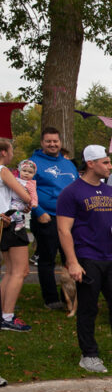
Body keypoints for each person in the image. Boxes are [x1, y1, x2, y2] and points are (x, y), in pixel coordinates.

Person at [56, 145, 112, 372]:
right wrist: (73, 261)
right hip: (87, 256)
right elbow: (63, 230)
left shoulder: (110, 192)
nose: (110, 166)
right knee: (88, 307)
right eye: (105, 162)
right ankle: (89, 355)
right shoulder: (72, 192)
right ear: (91, 163)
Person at [29, 127, 78, 310]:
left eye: (55, 141)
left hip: (69, 219)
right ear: (42, 143)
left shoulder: (68, 164)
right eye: (48, 141)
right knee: (47, 259)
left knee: (71, 257)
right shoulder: (32, 163)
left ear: (60, 142)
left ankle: (70, 297)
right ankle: (51, 299)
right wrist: (39, 211)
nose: (52, 144)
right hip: (46, 217)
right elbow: (26, 190)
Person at [0, 140, 35, 331]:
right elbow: (25, 195)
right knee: (20, 271)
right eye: (12, 151)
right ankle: (7, 317)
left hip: (4, 223)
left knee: (10, 270)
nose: (13, 155)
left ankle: (4, 311)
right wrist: (29, 199)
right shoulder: (3, 170)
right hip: (12, 222)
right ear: (4, 152)